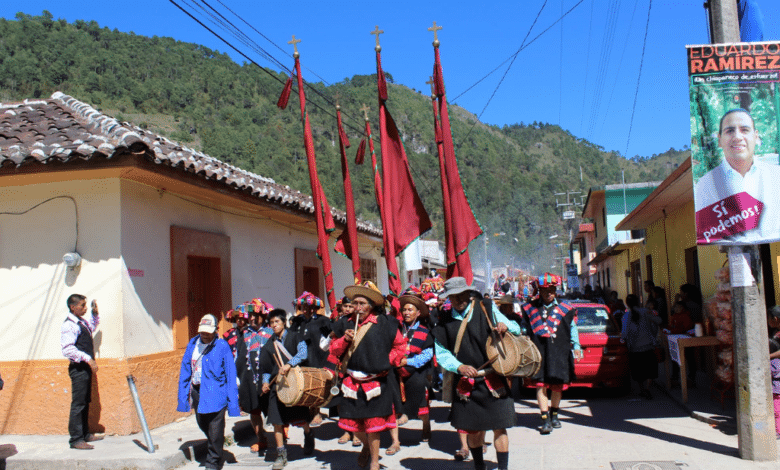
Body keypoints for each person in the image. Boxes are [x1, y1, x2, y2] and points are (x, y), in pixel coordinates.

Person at [433, 277, 520, 470]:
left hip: (493, 378)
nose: (458, 299)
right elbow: (441, 353)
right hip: (465, 381)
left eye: (462, 294)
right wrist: (459, 367)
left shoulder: (486, 308)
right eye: (453, 296)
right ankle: (479, 467)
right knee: (473, 431)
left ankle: (503, 468)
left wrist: (505, 327)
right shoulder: (444, 321)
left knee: (500, 426)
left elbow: (517, 328)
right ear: (448, 298)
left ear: (468, 293)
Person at [325, 282, 406, 470]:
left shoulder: (386, 323)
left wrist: (387, 361)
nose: (358, 307)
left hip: (376, 382)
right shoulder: (344, 323)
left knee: (373, 427)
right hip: (351, 382)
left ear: (371, 305)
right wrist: (344, 339)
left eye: (362, 303)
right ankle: (367, 448)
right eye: (355, 303)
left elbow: (400, 347)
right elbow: (333, 350)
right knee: (351, 424)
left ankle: (375, 463)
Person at [694, 108, 780, 243]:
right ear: (719, 140)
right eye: (729, 131)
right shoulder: (704, 186)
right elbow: (708, 235)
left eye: (745, 130)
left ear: (756, 136)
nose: (738, 137)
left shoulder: (776, 177)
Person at [520, 273, 583, 435]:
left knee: (557, 386)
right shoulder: (530, 308)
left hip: (559, 353)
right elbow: (525, 328)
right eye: (545, 290)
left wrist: (576, 345)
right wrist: (524, 338)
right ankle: (545, 419)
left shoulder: (566, 309)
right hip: (539, 353)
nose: (549, 293)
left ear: (556, 290)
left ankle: (555, 415)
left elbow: (572, 328)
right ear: (539, 291)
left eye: (552, 289)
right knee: (540, 386)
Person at [177, 314, 240, 470]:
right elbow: (185, 369)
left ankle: (213, 461)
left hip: (217, 392)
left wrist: (233, 404)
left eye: (208, 331)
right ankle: (216, 445)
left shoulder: (222, 346)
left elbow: (231, 376)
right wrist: (182, 396)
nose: (204, 334)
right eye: (202, 331)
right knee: (202, 422)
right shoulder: (192, 344)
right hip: (198, 391)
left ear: (215, 330)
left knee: (215, 427)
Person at [259, 308, 314, 469]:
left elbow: (303, 354)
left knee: (301, 418)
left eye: (277, 321)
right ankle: (281, 455)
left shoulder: (296, 337)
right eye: (271, 323)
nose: (274, 325)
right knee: (277, 422)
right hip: (277, 387)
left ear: (284, 322)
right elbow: (266, 368)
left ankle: (308, 434)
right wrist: (264, 382)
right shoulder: (269, 345)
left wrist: (289, 364)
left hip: (295, 384)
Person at [224, 300, 273, 454]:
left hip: (269, 378)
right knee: (254, 410)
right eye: (250, 315)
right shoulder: (244, 333)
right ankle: (261, 438)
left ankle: (281, 437)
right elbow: (239, 355)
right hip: (249, 378)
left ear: (263, 316)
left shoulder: (271, 332)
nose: (251, 319)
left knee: (275, 409)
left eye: (255, 315)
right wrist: (237, 376)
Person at [61, 294, 103, 450]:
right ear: (73, 307)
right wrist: (88, 359)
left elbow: (91, 328)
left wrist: (95, 314)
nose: (85, 308)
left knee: (85, 401)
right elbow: (68, 349)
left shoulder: (81, 322)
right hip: (78, 368)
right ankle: (76, 439)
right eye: (82, 305)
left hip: (84, 368)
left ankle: (85, 433)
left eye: (86, 305)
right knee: (78, 403)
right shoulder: (69, 326)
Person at [392, 288, 434, 445]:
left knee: (421, 404)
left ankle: (425, 424)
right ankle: (395, 439)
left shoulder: (425, 332)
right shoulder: (396, 328)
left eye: (410, 310)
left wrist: (408, 362)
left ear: (418, 313)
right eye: (404, 309)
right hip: (396, 371)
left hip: (416, 371)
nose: (406, 313)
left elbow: (427, 355)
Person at [289, 292, 332, 426]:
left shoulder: (322, 320)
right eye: (303, 307)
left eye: (309, 306)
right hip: (301, 357)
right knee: (303, 384)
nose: (306, 309)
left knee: (315, 385)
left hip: (317, 357)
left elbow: (330, 337)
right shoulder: (297, 321)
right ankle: (306, 411)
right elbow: (291, 336)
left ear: (314, 307)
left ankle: (316, 411)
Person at [622, 294, 662, 399]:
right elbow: (659, 321)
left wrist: (625, 341)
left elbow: (624, 333)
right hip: (648, 346)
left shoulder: (626, 315)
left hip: (634, 348)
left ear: (627, 304)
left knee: (638, 371)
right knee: (650, 370)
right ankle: (648, 389)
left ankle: (642, 389)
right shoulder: (645, 312)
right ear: (638, 302)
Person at [769, 338, 780, 437]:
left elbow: (770, 373)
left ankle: (778, 431)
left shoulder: (774, 362)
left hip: (777, 390)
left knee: (777, 412)